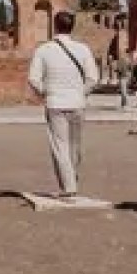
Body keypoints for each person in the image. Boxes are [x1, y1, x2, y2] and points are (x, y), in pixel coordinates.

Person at [27, 12, 99, 199]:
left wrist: (45, 91)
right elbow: (93, 78)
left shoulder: (43, 50)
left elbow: (33, 79)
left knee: (60, 145)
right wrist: (81, 93)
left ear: (55, 26)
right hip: (77, 103)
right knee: (75, 145)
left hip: (55, 103)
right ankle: (72, 179)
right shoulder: (83, 49)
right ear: (72, 26)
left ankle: (68, 186)